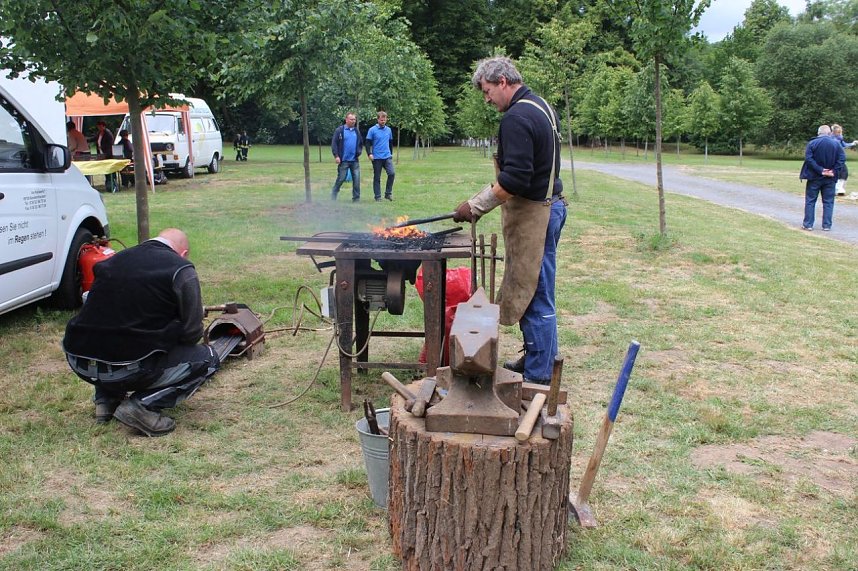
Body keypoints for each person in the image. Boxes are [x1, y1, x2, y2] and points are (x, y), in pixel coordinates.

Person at [452, 56, 567, 386]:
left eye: (487, 91)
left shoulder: (517, 117)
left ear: (503, 81)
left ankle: (539, 374)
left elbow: (516, 177)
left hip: (536, 214)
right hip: (550, 206)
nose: (486, 99)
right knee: (534, 287)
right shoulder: (541, 105)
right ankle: (536, 356)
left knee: (534, 292)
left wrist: (475, 206)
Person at [63, 228, 219, 437]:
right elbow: (192, 334)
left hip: (78, 360)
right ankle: (141, 406)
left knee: (108, 334)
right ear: (183, 253)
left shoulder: (114, 260)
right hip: (129, 367)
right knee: (207, 359)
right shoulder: (180, 269)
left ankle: (106, 402)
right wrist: (174, 328)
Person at [800, 124, 846, 231]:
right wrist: (833, 171)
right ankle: (826, 225)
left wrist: (820, 170)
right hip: (830, 178)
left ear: (818, 133)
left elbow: (809, 159)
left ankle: (808, 224)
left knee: (810, 201)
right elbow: (842, 159)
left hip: (814, 177)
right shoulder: (836, 144)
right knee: (828, 202)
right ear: (829, 133)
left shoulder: (812, 143)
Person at [330, 112, 363, 202]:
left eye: (354, 119)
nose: (353, 121)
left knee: (356, 180)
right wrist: (336, 156)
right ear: (346, 120)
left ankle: (356, 199)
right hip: (343, 160)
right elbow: (334, 144)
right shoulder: (340, 130)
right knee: (341, 179)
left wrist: (358, 152)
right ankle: (333, 195)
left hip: (354, 161)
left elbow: (360, 143)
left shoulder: (356, 131)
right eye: (351, 119)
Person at [365, 111, 395, 201]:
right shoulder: (372, 130)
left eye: (385, 120)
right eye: (381, 120)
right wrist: (369, 154)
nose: (383, 121)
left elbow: (390, 143)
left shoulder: (388, 130)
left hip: (387, 156)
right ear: (378, 119)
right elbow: (367, 143)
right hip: (376, 157)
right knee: (377, 177)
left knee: (392, 173)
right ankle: (377, 196)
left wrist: (391, 153)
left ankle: (388, 194)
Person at [831, 124, 857, 195]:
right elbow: (841, 146)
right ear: (834, 132)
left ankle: (839, 188)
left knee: (843, 173)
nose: (840, 133)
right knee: (840, 173)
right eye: (838, 132)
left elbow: (844, 145)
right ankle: (837, 189)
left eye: (840, 132)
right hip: (835, 159)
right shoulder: (833, 139)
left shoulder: (839, 138)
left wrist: (852, 143)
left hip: (839, 159)